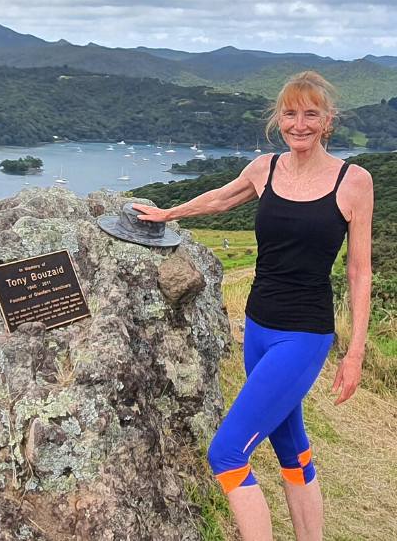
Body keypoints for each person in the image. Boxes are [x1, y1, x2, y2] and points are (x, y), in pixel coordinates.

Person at [134, 71, 373, 541]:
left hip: (303, 335)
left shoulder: (354, 181)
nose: (298, 124)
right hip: (258, 328)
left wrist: (355, 353)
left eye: (310, 114)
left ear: (328, 121)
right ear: (277, 119)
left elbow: (359, 272)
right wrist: (168, 213)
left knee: (226, 454)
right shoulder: (265, 169)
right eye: (290, 113)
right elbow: (220, 200)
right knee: (291, 446)